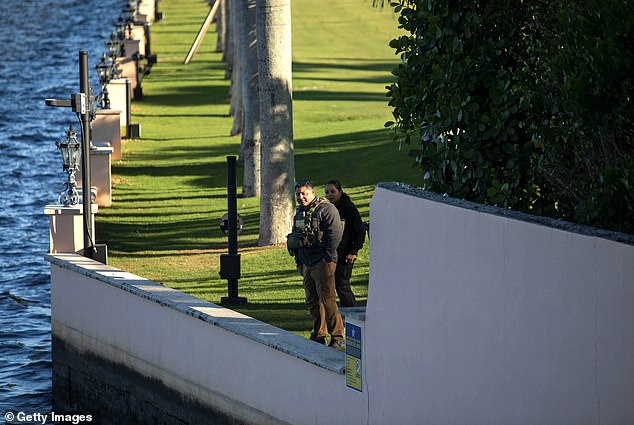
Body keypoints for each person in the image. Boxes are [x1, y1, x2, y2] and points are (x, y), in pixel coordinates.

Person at [287, 180, 345, 349]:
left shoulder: (326, 209)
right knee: (312, 301)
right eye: (298, 194)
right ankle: (319, 334)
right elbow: (296, 237)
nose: (301, 197)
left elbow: (335, 233)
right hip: (306, 262)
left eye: (304, 193)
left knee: (327, 300)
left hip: (322, 261)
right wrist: (299, 262)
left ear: (312, 192)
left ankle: (337, 337)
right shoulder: (299, 212)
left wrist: (328, 257)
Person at [324, 179, 365, 307]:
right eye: (327, 192)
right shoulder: (328, 209)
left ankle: (353, 316)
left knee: (342, 284)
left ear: (340, 192)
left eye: (333, 191)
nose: (330, 195)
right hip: (331, 254)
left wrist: (353, 251)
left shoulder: (349, 208)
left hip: (345, 255)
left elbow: (359, 231)